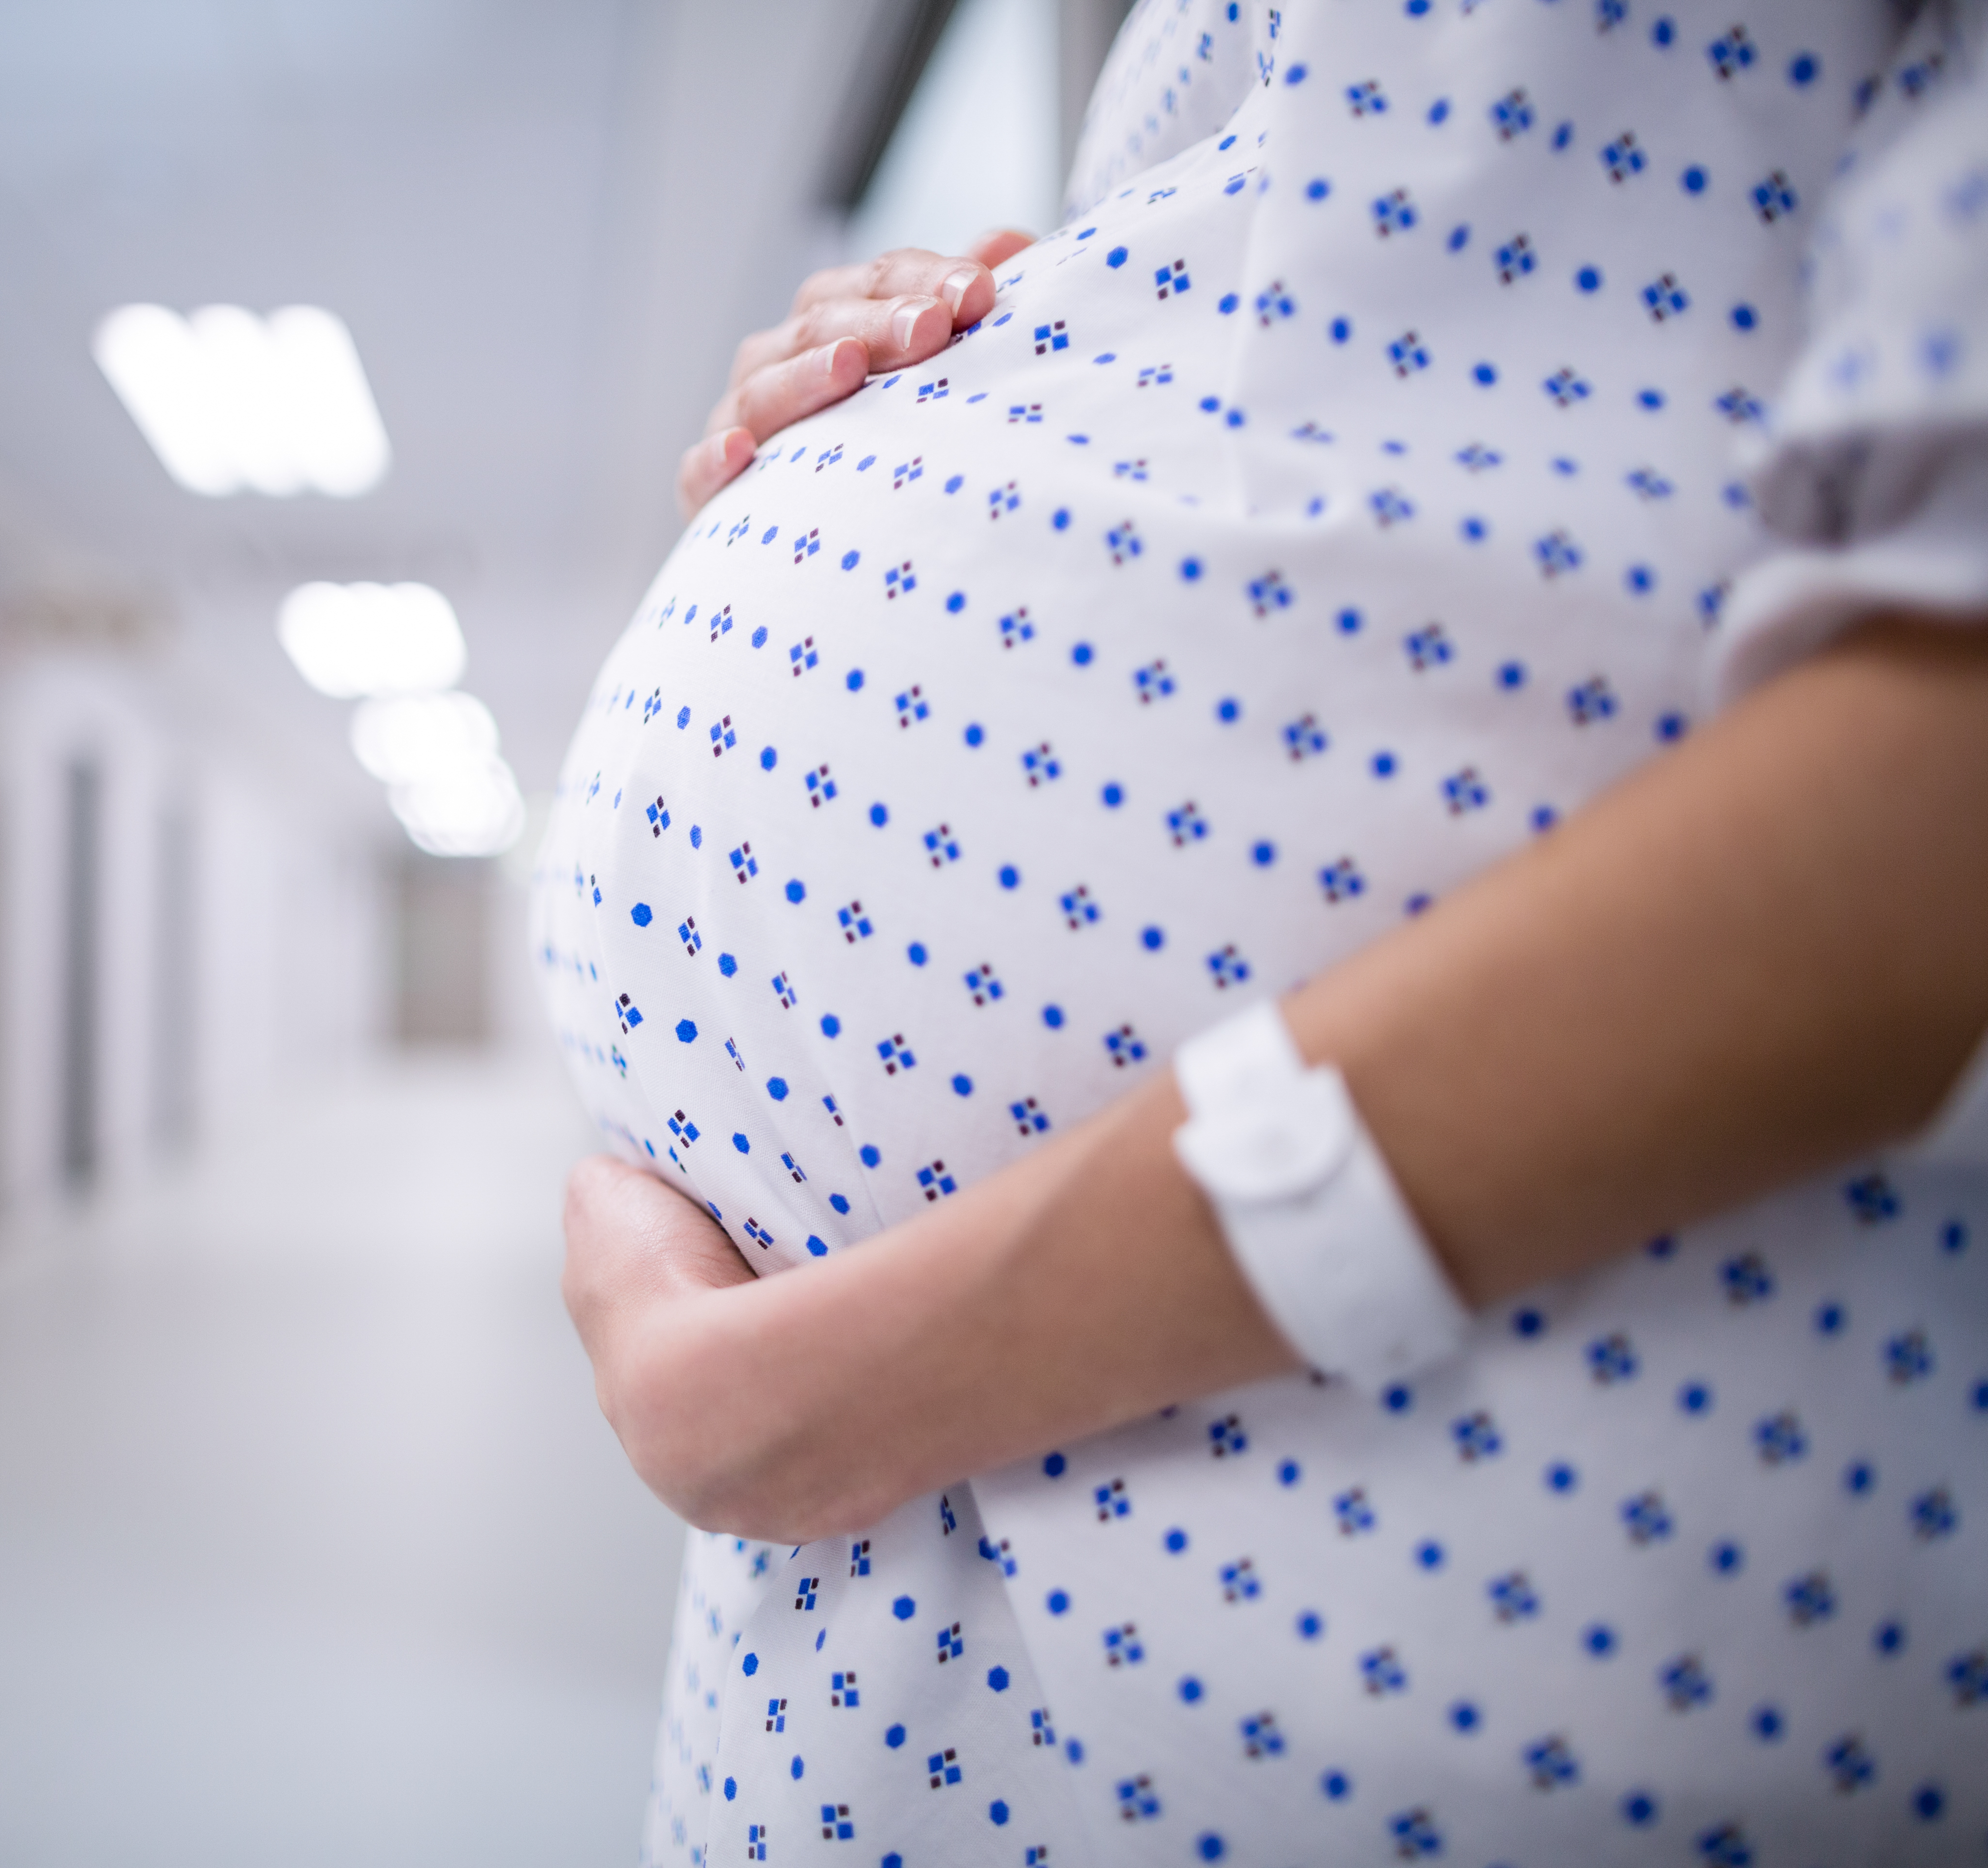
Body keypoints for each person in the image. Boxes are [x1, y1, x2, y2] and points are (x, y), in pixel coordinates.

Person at [530, 0, 1988, 1862]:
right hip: (880, 1650)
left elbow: (1924, 820)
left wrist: (817, 1393)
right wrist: (969, 353)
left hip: (1448, 1584)